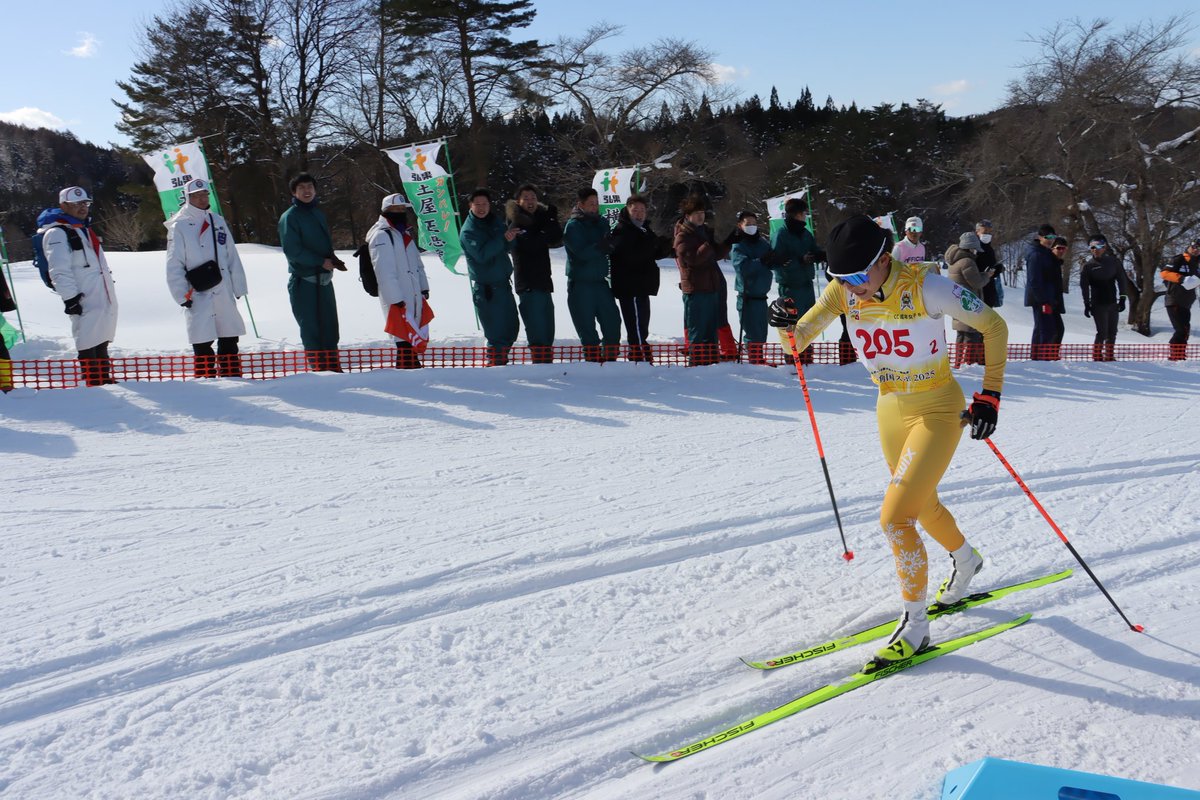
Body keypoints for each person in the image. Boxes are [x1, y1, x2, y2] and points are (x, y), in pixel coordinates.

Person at [768, 214, 1008, 668]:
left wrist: (990, 394)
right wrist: (782, 323)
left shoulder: (927, 285)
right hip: (890, 407)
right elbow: (795, 345)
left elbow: (994, 326)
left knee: (896, 518)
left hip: (938, 408)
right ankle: (967, 559)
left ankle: (916, 626)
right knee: (921, 504)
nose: (851, 287)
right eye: (839, 278)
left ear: (883, 259)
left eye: (858, 275)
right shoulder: (843, 291)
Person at [165, 179, 248, 378]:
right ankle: (205, 379)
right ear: (188, 198)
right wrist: (181, 294)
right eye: (197, 196)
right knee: (202, 338)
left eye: (205, 194)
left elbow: (231, 254)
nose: (202, 199)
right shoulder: (179, 226)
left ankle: (232, 375)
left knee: (229, 335)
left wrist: (238, 286)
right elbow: (174, 263)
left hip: (223, 287)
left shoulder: (217, 220)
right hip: (198, 290)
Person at [41, 186, 118, 386]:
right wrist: (71, 299)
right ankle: (92, 379)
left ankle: (104, 377)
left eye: (85, 203)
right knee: (86, 337)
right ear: (63, 205)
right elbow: (59, 270)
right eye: (76, 204)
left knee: (101, 335)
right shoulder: (57, 233)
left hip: (100, 293)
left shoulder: (83, 229)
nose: (82, 207)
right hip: (82, 296)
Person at [279, 172, 344, 372]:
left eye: (310, 187)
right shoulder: (290, 217)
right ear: (294, 192)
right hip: (304, 281)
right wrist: (319, 261)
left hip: (324, 279)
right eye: (302, 188)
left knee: (330, 325)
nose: (307, 191)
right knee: (311, 327)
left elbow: (323, 243)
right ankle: (319, 368)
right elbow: (292, 250)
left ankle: (333, 367)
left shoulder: (317, 213)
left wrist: (332, 259)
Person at [367, 192, 429, 369]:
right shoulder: (381, 235)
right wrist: (395, 298)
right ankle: (407, 373)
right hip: (398, 298)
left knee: (411, 336)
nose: (401, 212)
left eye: (403, 209)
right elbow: (384, 271)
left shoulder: (404, 233)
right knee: (403, 338)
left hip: (413, 294)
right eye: (396, 209)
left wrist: (423, 287)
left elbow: (417, 264)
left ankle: (410, 370)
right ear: (387, 211)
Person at [460, 188, 519, 366]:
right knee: (495, 331)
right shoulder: (468, 231)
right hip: (487, 289)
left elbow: (508, 246)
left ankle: (502, 361)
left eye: (484, 204)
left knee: (511, 327)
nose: (481, 208)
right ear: (470, 206)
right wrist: (502, 239)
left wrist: (510, 237)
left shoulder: (494, 222)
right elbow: (482, 255)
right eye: (477, 204)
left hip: (503, 283)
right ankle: (495, 365)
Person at [562, 187, 622, 362]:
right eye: (591, 204)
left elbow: (608, 246)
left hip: (600, 281)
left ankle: (610, 359)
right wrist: (602, 247)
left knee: (612, 321)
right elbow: (581, 253)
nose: (595, 207)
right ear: (580, 205)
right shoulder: (573, 226)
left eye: (596, 203)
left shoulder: (602, 222)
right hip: (581, 283)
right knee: (586, 327)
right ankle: (593, 362)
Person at [608, 194, 669, 362]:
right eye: (635, 210)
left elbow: (652, 253)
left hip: (642, 284)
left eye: (642, 210)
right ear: (627, 210)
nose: (639, 214)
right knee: (635, 323)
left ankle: (640, 352)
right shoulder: (622, 230)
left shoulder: (644, 229)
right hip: (630, 285)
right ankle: (639, 354)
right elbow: (631, 256)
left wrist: (663, 247)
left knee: (642, 322)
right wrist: (652, 245)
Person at [506, 184, 561, 363]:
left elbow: (556, 237)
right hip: (528, 282)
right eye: (526, 198)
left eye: (533, 198)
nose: (530, 201)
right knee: (536, 326)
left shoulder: (541, 220)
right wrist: (546, 227)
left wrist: (551, 220)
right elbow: (533, 243)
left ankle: (547, 361)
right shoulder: (516, 222)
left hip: (544, 280)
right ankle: (540, 362)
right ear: (518, 201)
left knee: (548, 325)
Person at [674, 195, 728, 366]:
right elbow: (693, 259)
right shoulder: (682, 235)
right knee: (697, 329)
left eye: (702, 213)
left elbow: (715, 255)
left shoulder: (703, 232)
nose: (700, 216)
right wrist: (707, 244)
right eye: (696, 213)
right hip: (695, 289)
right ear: (688, 215)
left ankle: (711, 361)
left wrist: (726, 243)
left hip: (710, 287)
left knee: (711, 329)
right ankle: (696, 362)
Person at [770, 198, 822, 362]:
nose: (805, 216)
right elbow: (776, 262)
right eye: (803, 213)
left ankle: (808, 356)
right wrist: (799, 260)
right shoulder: (781, 234)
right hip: (790, 286)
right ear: (796, 214)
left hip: (807, 284)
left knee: (808, 322)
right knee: (792, 322)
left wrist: (820, 255)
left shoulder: (806, 233)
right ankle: (792, 358)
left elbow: (814, 250)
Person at [945, 231, 996, 367]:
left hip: (957, 302)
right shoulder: (967, 262)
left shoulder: (955, 260)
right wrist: (987, 275)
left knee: (961, 335)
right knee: (971, 335)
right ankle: (969, 364)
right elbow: (977, 282)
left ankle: (958, 363)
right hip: (968, 304)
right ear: (971, 247)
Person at [729, 210, 774, 365]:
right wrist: (761, 262)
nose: (752, 227)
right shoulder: (738, 245)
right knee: (752, 331)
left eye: (754, 224)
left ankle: (758, 357)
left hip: (762, 295)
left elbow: (771, 259)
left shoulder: (763, 244)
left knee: (761, 330)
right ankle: (753, 360)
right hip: (747, 296)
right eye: (748, 224)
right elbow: (742, 267)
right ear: (740, 225)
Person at [1079, 235, 1130, 362]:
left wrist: (1123, 298)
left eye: (1099, 246)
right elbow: (1084, 287)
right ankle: (1097, 357)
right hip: (1098, 304)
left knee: (1112, 332)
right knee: (1102, 332)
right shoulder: (1088, 266)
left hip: (1112, 302)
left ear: (1105, 247)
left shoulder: (1113, 262)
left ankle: (1110, 356)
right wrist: (1087, 304)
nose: (1096, 249)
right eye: (1093, 247)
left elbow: (1122, 280)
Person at [1024, 224, 1065, 361]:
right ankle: (1040, 358)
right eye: (1047, 237)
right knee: (1045, 329)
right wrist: (1043, 300)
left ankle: (1041, 357)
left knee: (1052, 328)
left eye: (1053, 237)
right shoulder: (1036, 254)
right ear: (1039, 237)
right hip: (1041, 298)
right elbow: (1034, 280)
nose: (1050, 240)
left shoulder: (1045, 252)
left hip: (1049, 296)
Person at [1162, 238, 1200, 360]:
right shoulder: (1179, 259)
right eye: (1194, 247)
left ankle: (1180, 354)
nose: (1196, 250)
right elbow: (1164, 273)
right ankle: (1175, 355)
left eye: (1199, 249)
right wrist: (1182, 279)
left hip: (1187, 301)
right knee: (1181, 329)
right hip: (1174, 299)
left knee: (1185, 329)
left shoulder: (1197, 263)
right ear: (1190, 246)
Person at [974, 219, 1004, 309]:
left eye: (989, 231)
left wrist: (997, 269)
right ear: (977, 232)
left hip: (989, 289)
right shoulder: (974, 248)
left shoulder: (989, 248)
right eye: (985, 230)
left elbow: (991, 268)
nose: (987, 234)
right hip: (979, 292)